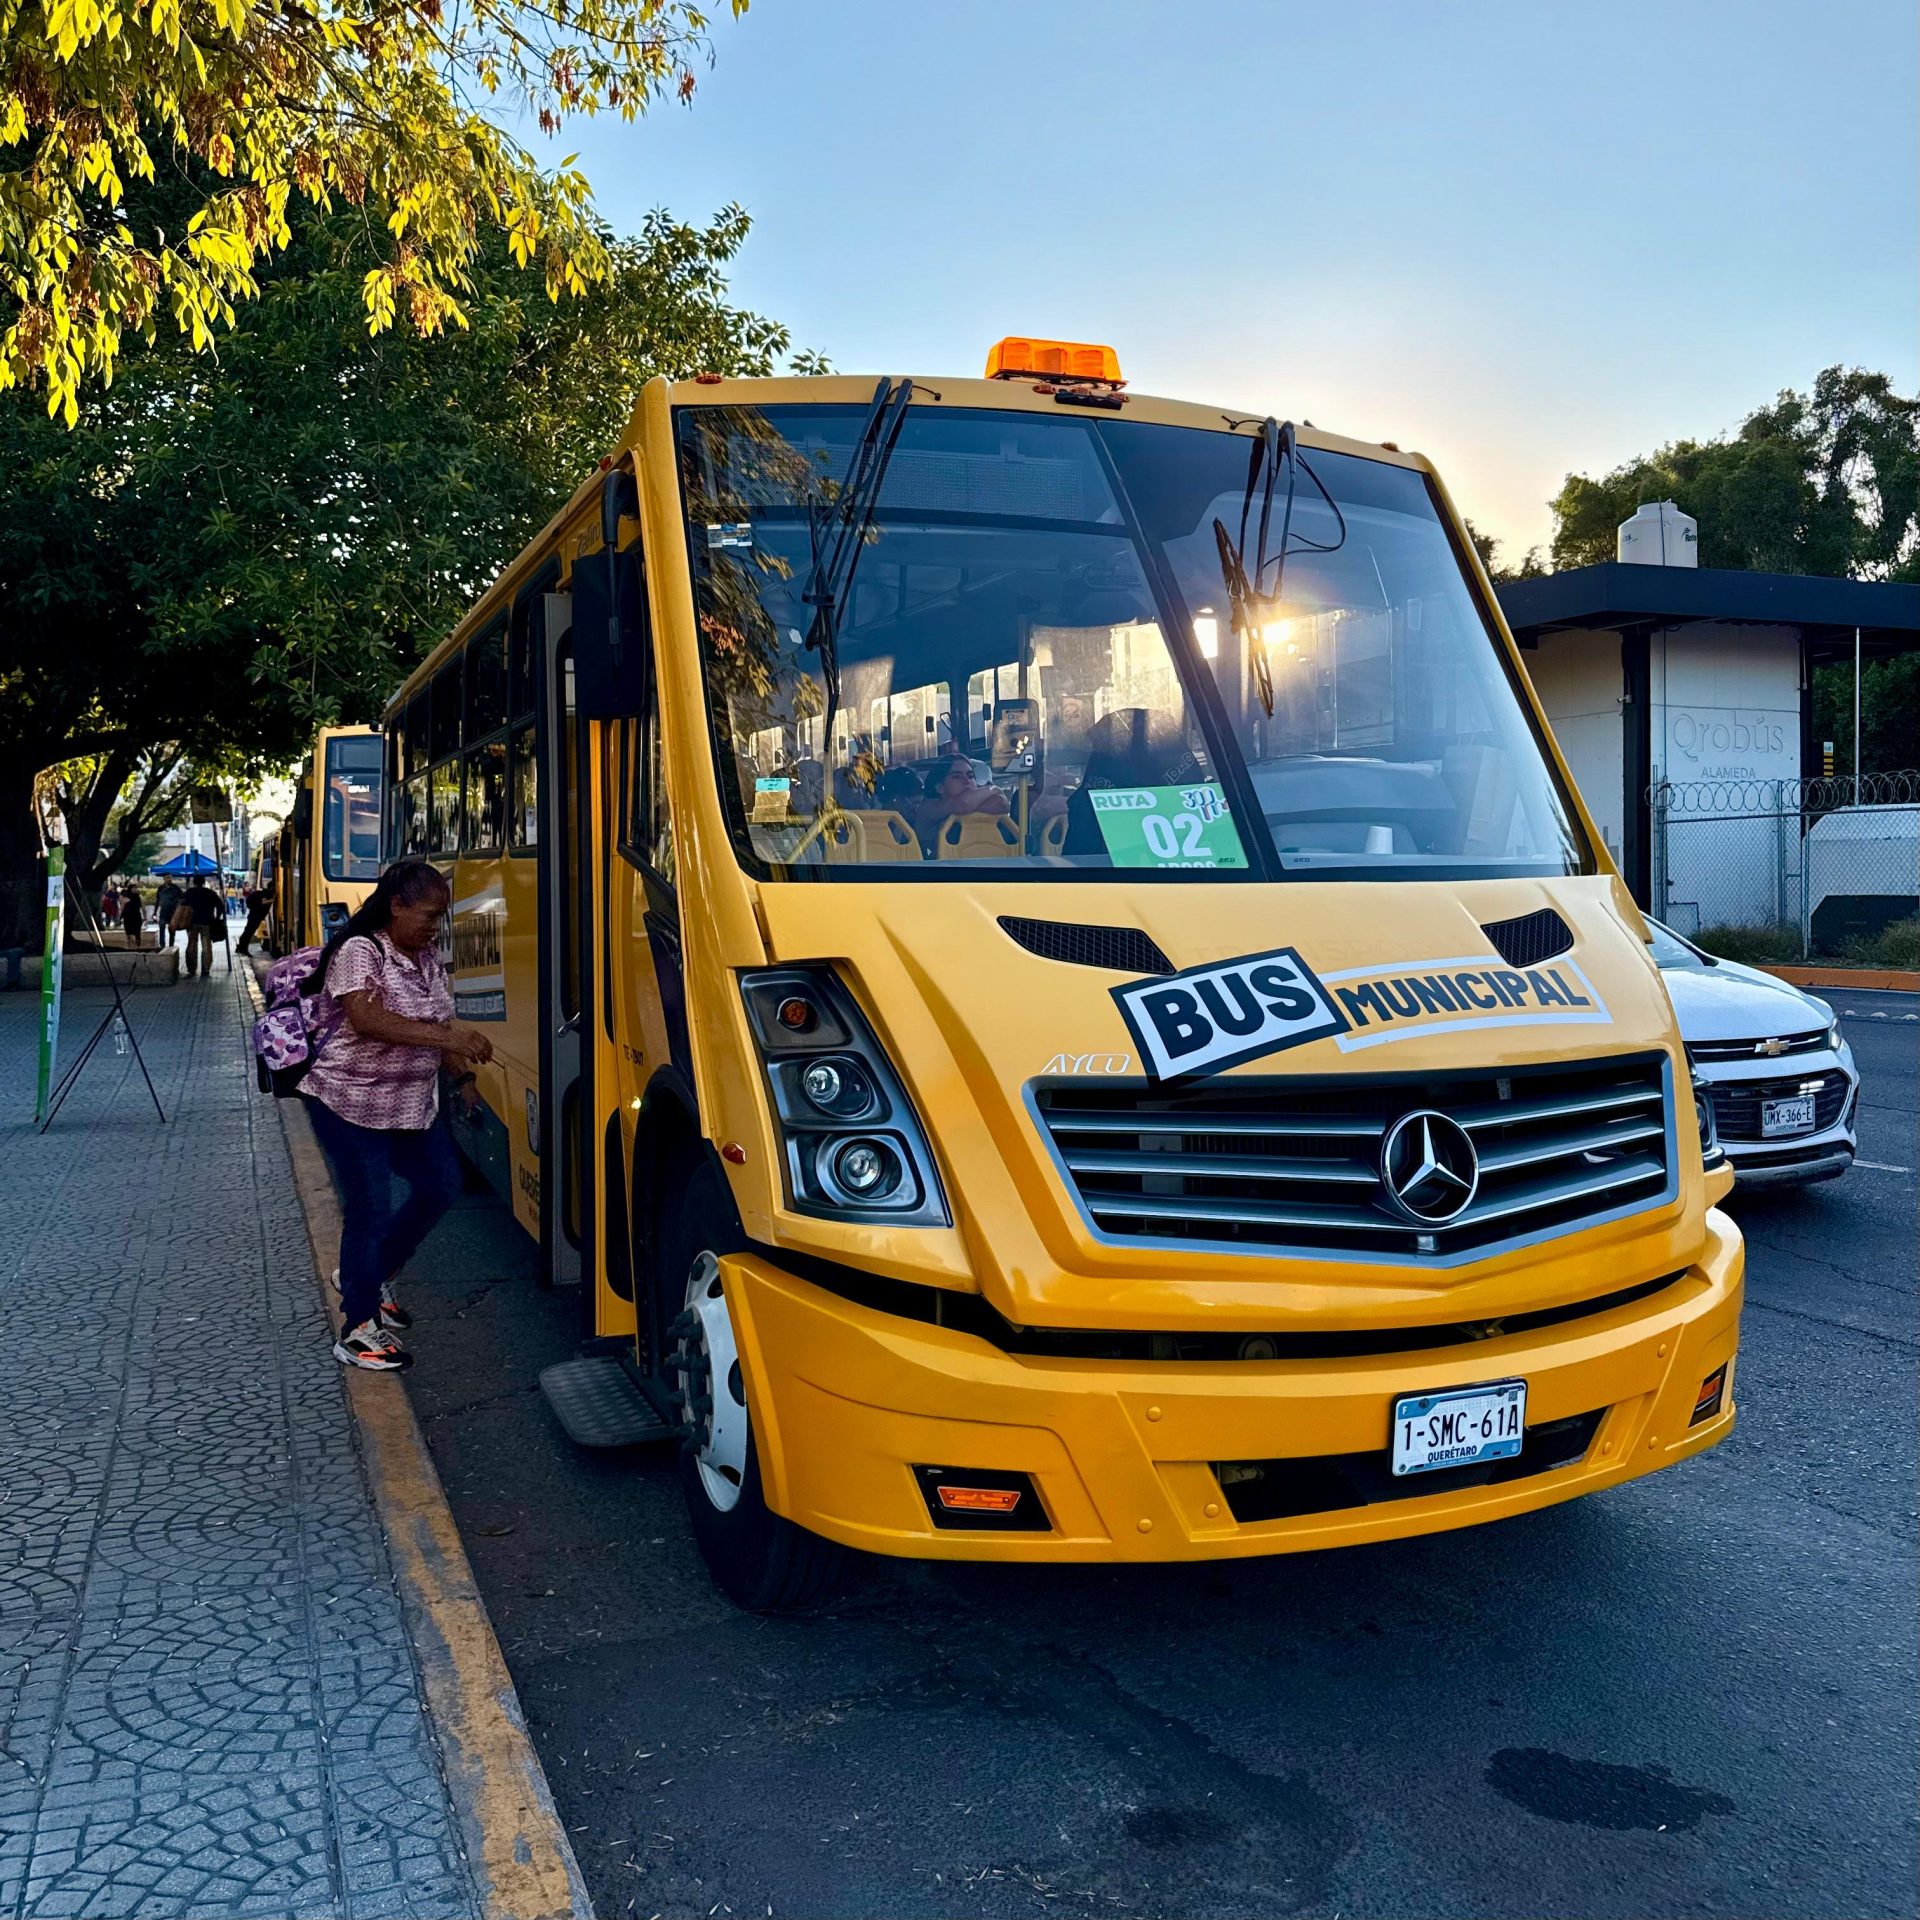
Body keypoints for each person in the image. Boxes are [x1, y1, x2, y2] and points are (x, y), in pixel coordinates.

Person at [299, 858, 493, 1371]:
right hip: (349, 1103)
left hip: (409, 1107)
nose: (435, 926)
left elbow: (437, 1019)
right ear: (396, 905)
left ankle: (371, 1273)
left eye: (441, 916)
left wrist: (463, 1080)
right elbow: (366, 1019)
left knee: (441, 1186)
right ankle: (358, 1328)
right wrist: (450, 1038)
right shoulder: (359, 951)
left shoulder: (427, 958)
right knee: (369, 1211)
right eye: (427, 915)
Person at [914, 752, 1011, 850]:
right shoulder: (927, 809)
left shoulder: (970, 802)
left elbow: (1001, 803)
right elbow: (965, 803)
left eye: (970, 776)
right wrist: (994, 789)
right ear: (940, 787)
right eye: (957, 776)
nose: (966, 781)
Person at [178, 876, 222, 976]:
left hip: (191, 923)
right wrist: (217, 918)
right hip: (207, 922)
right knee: (206, 947)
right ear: (203, 882)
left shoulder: (189, 893)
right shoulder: (210, 893)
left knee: (191, 946)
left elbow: (181, 905)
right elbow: (220, 906)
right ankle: (206, 970)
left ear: (193, 882)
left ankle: (192, 969)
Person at [237, 882, 273, 956]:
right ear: (271, 887)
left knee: (248, 931)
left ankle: (241, 947)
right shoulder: (265, 893)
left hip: (254, 915)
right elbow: (263, 902)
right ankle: (243, 948)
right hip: (255, 916)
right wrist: (273, 900)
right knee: (249, 932)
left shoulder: (262, 892)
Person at [154, 878, 182, 948]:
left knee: (172, 929)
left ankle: (171, 944)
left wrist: (178, 906)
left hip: (173, 911)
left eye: (170, 877)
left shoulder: (175, 888)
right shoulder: (161, 888)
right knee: (161, 927)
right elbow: (158, 900)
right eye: (167, 877)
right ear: (164, 879)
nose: (169, 879)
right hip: (163, 911)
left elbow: (182, 897)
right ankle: (162, 945)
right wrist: (155, 912)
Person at [120, 886, 145, 950]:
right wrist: (120, 916)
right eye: (133, 888)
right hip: (127, 917)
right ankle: (130, 947)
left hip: (136, 917)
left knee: (137, 933)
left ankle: (137, 947)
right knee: (129, 933)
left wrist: (145, 916)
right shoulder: (126, 898)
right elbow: (122, 907)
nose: (135, 889)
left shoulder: (139, 897)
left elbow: (143, 907)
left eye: (135, 888)